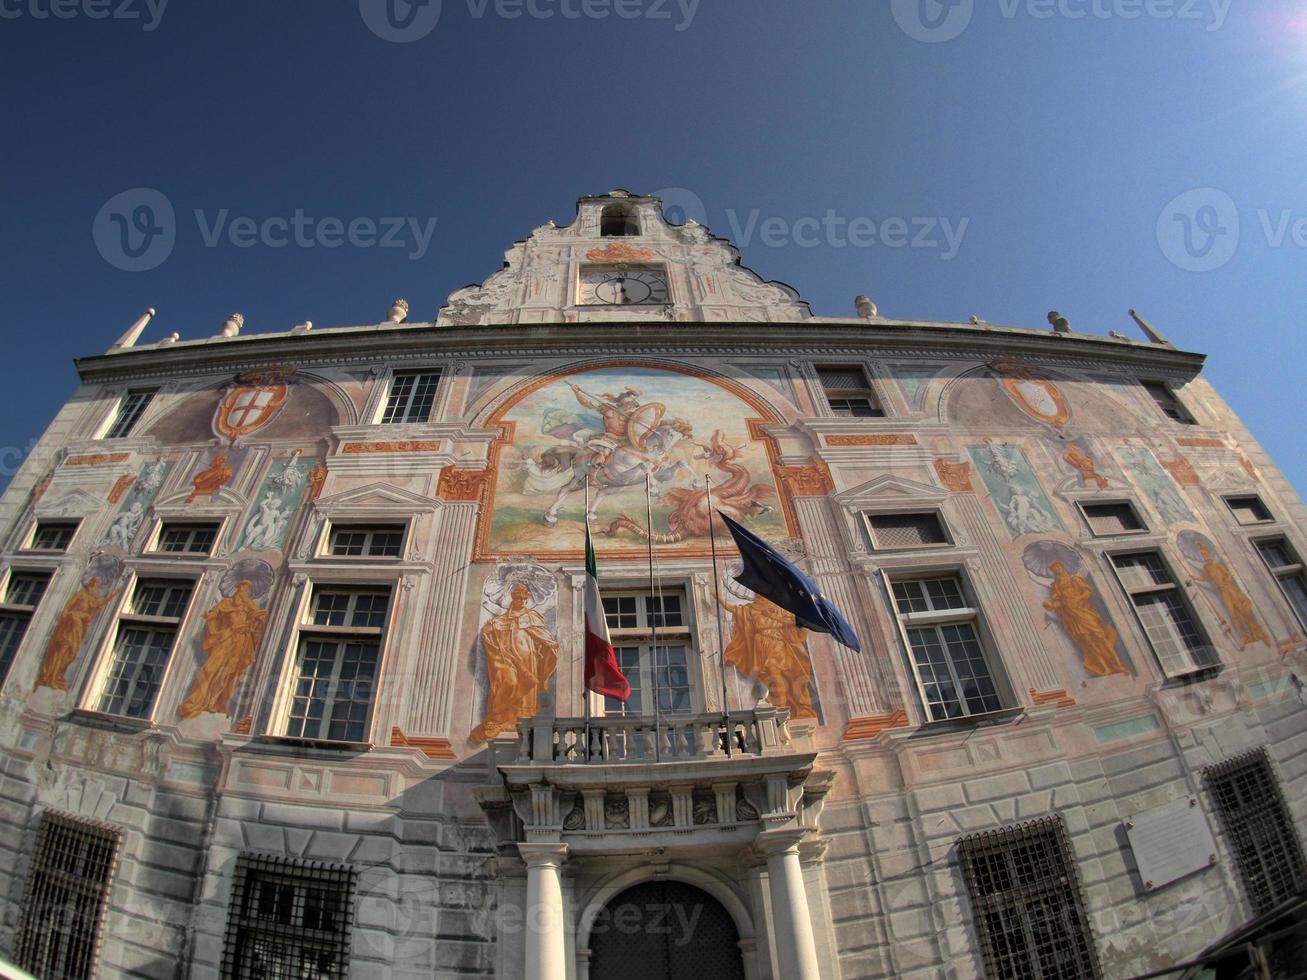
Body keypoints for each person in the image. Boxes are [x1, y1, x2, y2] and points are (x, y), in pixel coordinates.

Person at [470, 584, 559, 743]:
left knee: (525, 690)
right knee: (507, 682)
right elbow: (489, 633)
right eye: (519, 598)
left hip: (527, 660)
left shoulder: (532, 616)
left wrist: (550, 645)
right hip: (507, 658)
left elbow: (541, 635)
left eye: (524, 599)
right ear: (513, 599)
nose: (522, 601)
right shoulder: (503, 619)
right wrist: (490, 628)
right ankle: (498, 718)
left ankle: (520, 720)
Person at [179, 580, 269, 719]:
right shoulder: (226, 603)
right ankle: (196, 701)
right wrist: (211, 615)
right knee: (211, 668)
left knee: (229, 674)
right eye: (242, 587)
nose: (243, 591)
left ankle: (215, 702)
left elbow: (258, 620)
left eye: (247, 589)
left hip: (241, 641)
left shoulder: (250, 606)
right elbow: (215, 613)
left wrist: (255, 620)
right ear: (237, 588)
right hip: (225, 639)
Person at [723, 596, 816, 718]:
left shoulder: (781, 610)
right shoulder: (751, 609)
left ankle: (784, 712)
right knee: (773, 681)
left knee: (780, 680)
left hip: (778, 647)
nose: (757, 594)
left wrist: (773, 616)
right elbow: (732, 608)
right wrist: (715, 594)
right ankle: (782, 710)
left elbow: (797, 622)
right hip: (763, 649)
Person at [1043, 561, 1128, 677]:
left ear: (1062, 567)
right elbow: (1058, 601)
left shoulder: (1074, 579)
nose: (1056, 570)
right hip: (1072, 617)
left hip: (1084, 612)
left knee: (1101, 639)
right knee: (1088, 643)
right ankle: (1105, 668)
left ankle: (1119, 665)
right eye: (1054, 570)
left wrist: (1079, 598)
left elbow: (1087, 591)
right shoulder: (1056, 586)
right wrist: (1052, 606)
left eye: (1057, 567)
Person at [36, 577, 117, 690]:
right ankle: (50, 678)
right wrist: (72, 615)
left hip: (79, 628)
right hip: (70, 625)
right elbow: (66, 608)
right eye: (93, 581)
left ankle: (57, 675)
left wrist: (114, 594)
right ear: (90, 583)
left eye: (97, 582)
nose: (94, 584)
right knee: (61, 650)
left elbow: (100, 603)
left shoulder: (93, 599)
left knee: (72, 653)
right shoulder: (80, 594)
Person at [1194, 543, 1269, 649]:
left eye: (1204, 553)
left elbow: (1228, 574)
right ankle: (1243, 637)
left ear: (1208, 552)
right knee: (1232, 613)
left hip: (1229, 588)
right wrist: (1194, 578)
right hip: (1222, 592)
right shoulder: (1206, 567)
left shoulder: (1216, 564)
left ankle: (1256, 633)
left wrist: (1227, 580)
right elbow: (1205, 577)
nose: (1203, 555)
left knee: (1242, 609)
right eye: (1201, 554)